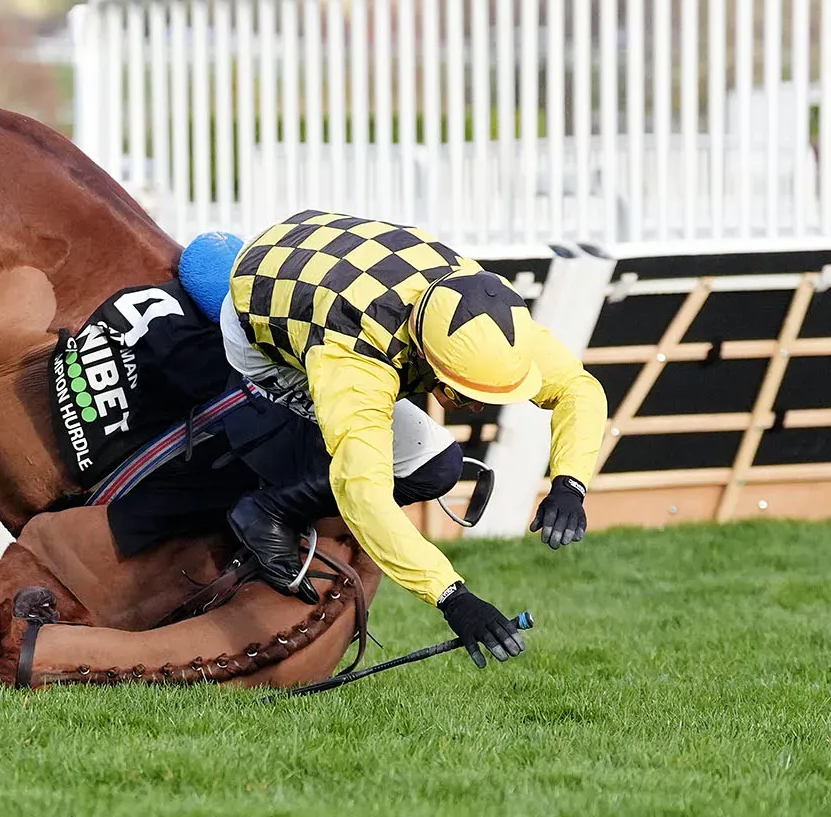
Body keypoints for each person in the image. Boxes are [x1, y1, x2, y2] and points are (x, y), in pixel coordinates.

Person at [215, 210, 606, 668]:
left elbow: (580, 388)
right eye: (466, 393)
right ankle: (266, 511)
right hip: (264, 320)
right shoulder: (355, 361)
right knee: (370, 469)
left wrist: (570, 483)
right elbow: (364, 494)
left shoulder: (484, 308)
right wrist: (452, 596)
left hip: (317, 253)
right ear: (425, 354)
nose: (477, 407)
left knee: (439, 467)